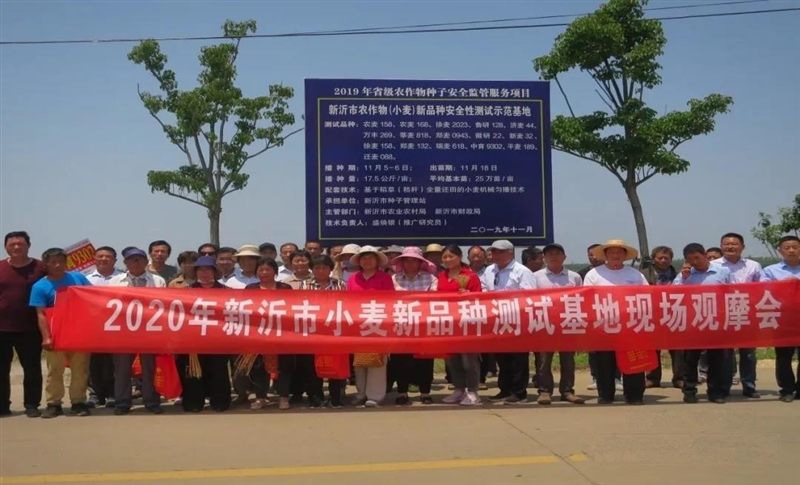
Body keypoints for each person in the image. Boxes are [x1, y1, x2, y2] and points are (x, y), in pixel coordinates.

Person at [583, 240, 649, 405]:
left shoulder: (635, 274)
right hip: (603, 324)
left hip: (630, 324)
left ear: (625, 255)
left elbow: (647, 295)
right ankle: (605, 394)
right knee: (604, 361)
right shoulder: (594, 274)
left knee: (633, 359)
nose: (615, 255)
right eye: (611, 252)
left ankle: (634, 395)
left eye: (619, 252)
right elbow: (587, 298)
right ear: (605, 255)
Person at [29, 247, 93, 418]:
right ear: (46, 265)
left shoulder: (78, 278)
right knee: (55, 370)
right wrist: (46, 337)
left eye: (61, 261)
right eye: (53, 262)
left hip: (79, 332)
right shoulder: (39, 286)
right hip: (55, 334)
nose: (57, 265)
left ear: (66, 263)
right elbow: (41, 314)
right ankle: (53, 403)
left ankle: (78, 402)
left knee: (80, 369)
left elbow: (93, 298)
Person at [107, 248, 167, 415]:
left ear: (146, 262)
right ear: (125, 263)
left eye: (139, 259)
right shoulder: (115, 282)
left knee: (150, 367)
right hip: (123, 331)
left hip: (150, 330)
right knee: (122, 368)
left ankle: (152, 401)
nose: (136, 263)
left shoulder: (158, 281)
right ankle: (122, 402)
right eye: (132, 260)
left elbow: (165, 305)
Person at [673, 243, 733, 404]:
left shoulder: (723, 272)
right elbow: (673, 294)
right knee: (690, 360)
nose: (695, 262)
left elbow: (733, 293)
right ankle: (689, 391)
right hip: (693, 322)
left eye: (697, 258)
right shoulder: (684, 275)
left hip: (716, 321)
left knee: (716, 359)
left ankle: (715, 392)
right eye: (690, 259)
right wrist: (684, 279)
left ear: (705, 255)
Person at [481, 240, 537, 405]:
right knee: (502, 358)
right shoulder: (490, 270)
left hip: (517, 320)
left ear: (510, 253)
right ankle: (504, 390)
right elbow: (483, 289)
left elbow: (529, 295)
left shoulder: (522, 271)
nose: (496, 255)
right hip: (497, 320)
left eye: (500, 252)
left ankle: (519, 393)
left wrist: (505, 297)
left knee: (518, 359)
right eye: (494, 252)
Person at [0, 231, 46, 418]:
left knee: (32, 368)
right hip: (1, 328)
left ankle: (32, 404)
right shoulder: (0, 267)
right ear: (6, 247)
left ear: (29, 245)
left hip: (31, 328)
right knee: (1, 369)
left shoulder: (41, 268)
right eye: (12, 244)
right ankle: (2, 406)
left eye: (21, 244)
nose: (17, 247)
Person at [532, 243, 585, 405]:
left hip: (568, 323)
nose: (554, 256)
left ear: (564, 257)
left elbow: (582, 299)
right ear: (544, 258)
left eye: (557, 253)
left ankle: (567, 391)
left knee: (568, 360)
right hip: (544, 323)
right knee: (544, 360)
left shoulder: (574, 277)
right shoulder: (535, 277)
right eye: (550, 254)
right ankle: (544, 391)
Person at [713, 232, 764, 398]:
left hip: (747, 314)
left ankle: (749, 386)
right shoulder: (713, 265)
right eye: (726, 244)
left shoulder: (753, 266)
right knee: (725, 354)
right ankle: (724, 387)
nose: (730, 247)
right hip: (722, 315)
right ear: (721, 246)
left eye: (734, 244)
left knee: (748, 353)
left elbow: (763, 288)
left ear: (743, 247)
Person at [177, 256, 231, 412]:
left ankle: (220, 402)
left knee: (218, 370)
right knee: (193, 371)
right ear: (195, 272)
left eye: (208, 269)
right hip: (193, 338)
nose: (204, 273)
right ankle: (194, 402)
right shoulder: (186, 291)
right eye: (200, 270)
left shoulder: (226, 291)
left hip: (218, 338)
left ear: (215, 271)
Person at [347, 246, 395, 407]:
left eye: (370, 257)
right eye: (364, 258)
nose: (367, 261)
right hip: (357, 323)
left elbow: (390, 300)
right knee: (360, 361)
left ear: (377, 260)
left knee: (377, 360)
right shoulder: (353, 278)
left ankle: (375, 396)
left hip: (379, 322)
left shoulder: (385, 278)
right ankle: (361, 393)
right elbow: (347, 300)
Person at [389, 247, 438, 405]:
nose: (410, 263)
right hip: (400, 325)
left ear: (420, 262)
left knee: (425, 360)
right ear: (402, 262)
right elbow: (388, 300)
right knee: (401, 360)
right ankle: (402, 392)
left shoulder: (430, 278)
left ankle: (425, 392)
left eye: (414, 260)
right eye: (407, 260)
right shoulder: (394, 279)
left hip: (423, 324)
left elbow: (435, 299)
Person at [300, 255, 347, 408]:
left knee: (336, 363)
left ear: (330, 269)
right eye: (317, 268)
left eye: (324, 268)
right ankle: (316, 397)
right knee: (312, 365)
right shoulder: (305, 284)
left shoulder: (340, 284)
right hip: (313, 330)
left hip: (335, 330)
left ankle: (335, 397)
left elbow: (347, 305)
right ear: (312, 269)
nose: (320, 271)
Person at [437, 245, 483, 406]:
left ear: (460, 257)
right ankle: (459, 389)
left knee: (469, 360)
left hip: (467, 322)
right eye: (445, 257)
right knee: (452, 359)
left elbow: (480, 298)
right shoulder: (441, 276)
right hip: (448, 322)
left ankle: (472, 391)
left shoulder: (470, 276)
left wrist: (470, 295)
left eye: (451, 256)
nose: (448, 259)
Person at [244, 257, 292, 410]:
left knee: (284, 366)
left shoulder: (285, 288)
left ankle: (284, 397)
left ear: (275, 271)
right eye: (260, 270)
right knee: (259, 367)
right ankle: (261, 397)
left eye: (268, 270)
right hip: (258, 334)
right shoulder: (250, 289)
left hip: (282, 333)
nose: (264, 273)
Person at [763, 235, 800, 403]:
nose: (791, 250)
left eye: (795, 247)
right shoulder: (770, 271)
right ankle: (787, 389)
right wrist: (783, 285)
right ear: (780, 250)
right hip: (783, 318)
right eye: (787, 247)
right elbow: (763, 290)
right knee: (784, 356)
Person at [640, 246, 683, 389]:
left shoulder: (679, 274)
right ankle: (652, 378)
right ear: (653, 259)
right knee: (652, 347)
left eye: (666, 258)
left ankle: (679, 378)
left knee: (678, 348)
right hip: (651, 314)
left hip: (674, 313)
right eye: (660, 258)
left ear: (671, 259)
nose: (663, 260)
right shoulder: (643, 274)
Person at [578, 243, 619, 391]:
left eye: (596, 254)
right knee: (598, 352)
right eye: (591, 255)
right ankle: (598, 379)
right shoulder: (587, 274)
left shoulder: (631, 273)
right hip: (597, 318)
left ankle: (617, 378)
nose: (594, 257)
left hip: (622, 318)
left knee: (619, 350)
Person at [85, 246, 122, 409]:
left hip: (118, 327)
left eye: (108, 257)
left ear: (115, 260)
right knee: (94, 362)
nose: (104, 259)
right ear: (94, 259)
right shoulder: (85, 279)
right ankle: (95, 394)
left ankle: (113, 394)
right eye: (100, 256)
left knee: (114, 362)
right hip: (93, 327)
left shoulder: (123, 278)